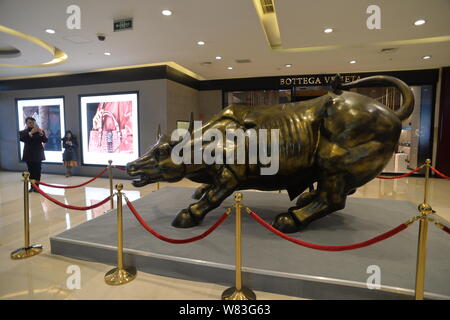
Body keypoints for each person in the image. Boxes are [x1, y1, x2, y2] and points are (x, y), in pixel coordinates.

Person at [19, 117, 48, 192]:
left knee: (38, 171)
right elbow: (22, 139)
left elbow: (45, 140)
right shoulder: (23, 132)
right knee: (31, 171)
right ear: (26, 123)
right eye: (30, 122)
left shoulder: (40, 131)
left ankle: (37, 187)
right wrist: (30, 133)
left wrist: (41, 134)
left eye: (33, 122)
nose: (31, 124)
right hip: (28, 154)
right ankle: (32, 187)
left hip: (38, 155)